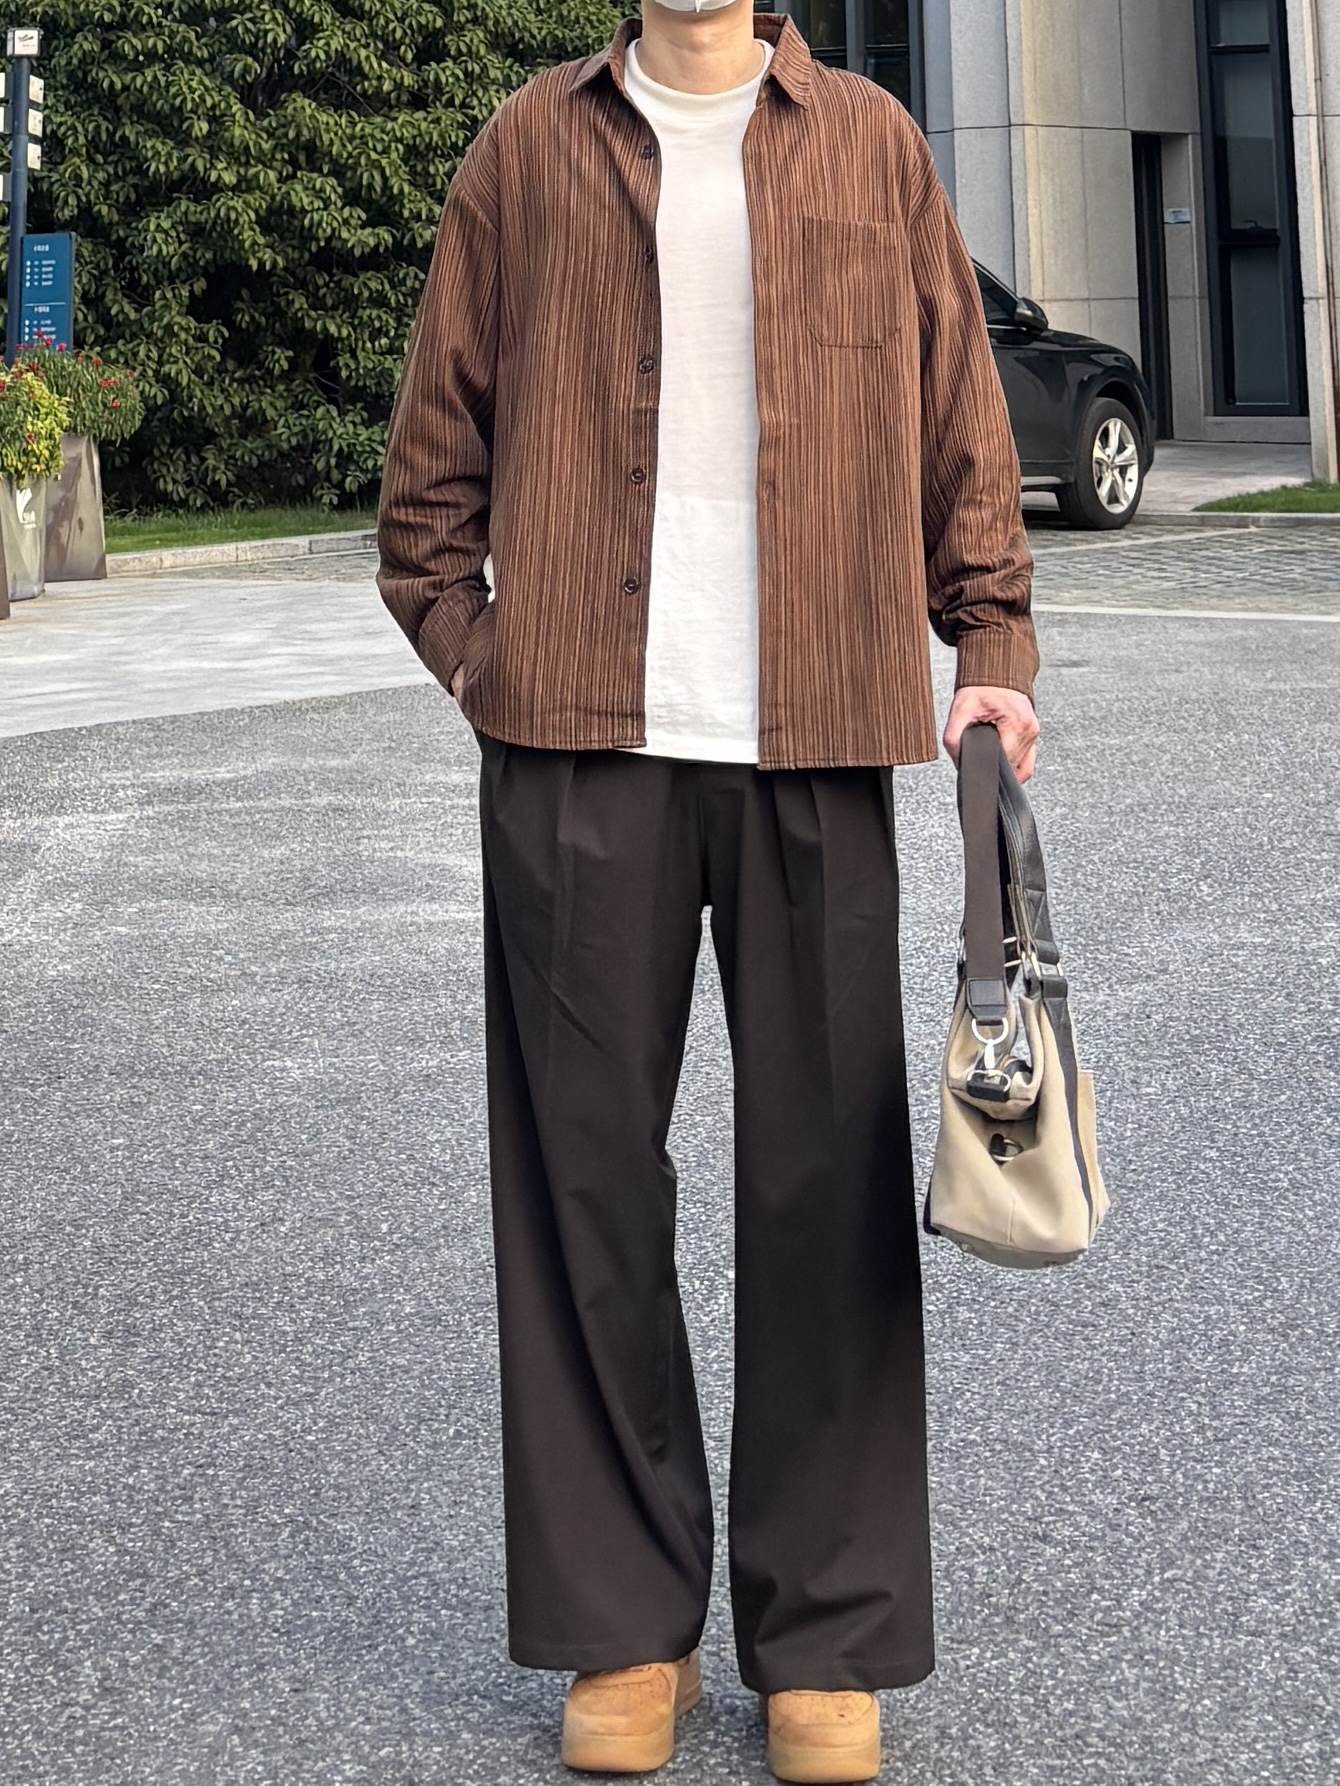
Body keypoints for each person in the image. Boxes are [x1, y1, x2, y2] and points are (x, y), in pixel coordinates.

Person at [377, 3, 1040, 1779]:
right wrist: (488, 666)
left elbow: (961, 417)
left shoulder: (874, 147)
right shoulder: (525, 151)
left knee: (826, 1182)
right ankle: (625, 1628)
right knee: (584, 1187)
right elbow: (427, 482)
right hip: (577, 750)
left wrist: (990, 641)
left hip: (814, 735)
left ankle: (825, 1633)